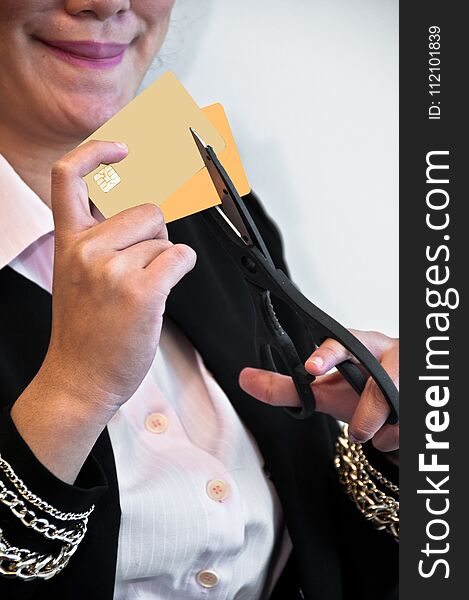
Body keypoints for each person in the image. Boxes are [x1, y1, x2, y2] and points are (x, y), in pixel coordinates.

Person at [0, 2, 399, 599]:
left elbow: (330, 556)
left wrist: (393, 453)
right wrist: (75, 393)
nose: (106, 2)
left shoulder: (207, 203)